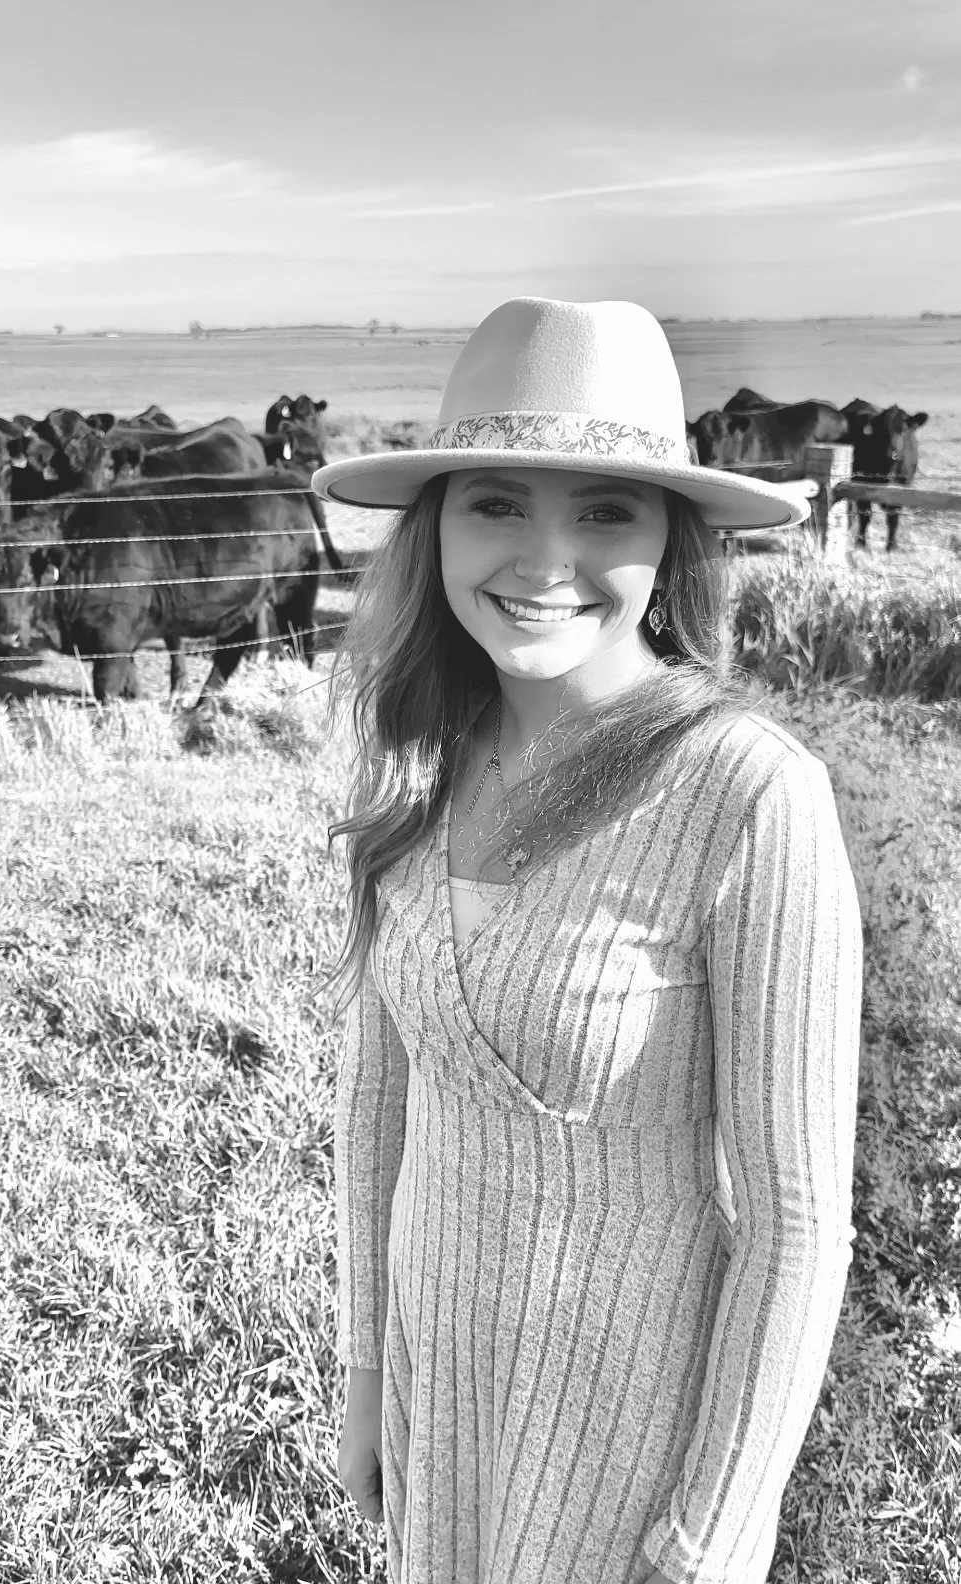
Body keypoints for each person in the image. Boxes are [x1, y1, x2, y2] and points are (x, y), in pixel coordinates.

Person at [313, 298, 862, 1584]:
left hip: (631, 1439)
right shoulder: (427, 761)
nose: (546, 559)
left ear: (672, 542)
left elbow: (795, 1225)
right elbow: (381, 1099)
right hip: (441, 1387)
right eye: (497, 503)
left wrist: (709, 1538)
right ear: (435, 528)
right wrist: (366, 1370)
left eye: (606, 511)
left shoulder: (749, 794)